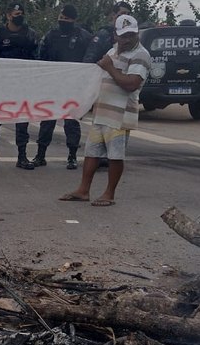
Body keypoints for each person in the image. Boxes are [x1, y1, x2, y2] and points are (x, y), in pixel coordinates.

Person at [59, 15, 151, 207]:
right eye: (123, 35)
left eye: (131, 35)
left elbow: (132, 84)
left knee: (115, 156)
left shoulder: (141, 55)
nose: (127, 39)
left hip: (120, 114)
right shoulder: (113, 50)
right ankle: (83, 190)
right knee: (91, 152)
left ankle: (109, 194)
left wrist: (109, 67)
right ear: (116, 35)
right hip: (102, 111)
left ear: (137, 33)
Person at [0, 2, 40, 170]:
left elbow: (38, 59)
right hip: (0, 86)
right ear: (8, 15)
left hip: (22, 86)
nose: (19, 16)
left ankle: (22, 157)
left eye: (21, 13)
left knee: (22, 122)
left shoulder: (31, 35)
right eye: (15, 13)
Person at [34, 4, 92, 170]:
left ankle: (72, 156)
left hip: (73, 86)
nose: (63, 20)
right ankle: (40, 155)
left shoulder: (83, 37)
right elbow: (41, 56)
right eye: (61, 17)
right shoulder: (51, 35)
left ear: (74, 20)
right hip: (53, 85)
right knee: (47, 121)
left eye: (66, 18)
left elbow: (91, 58)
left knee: (71, 122)